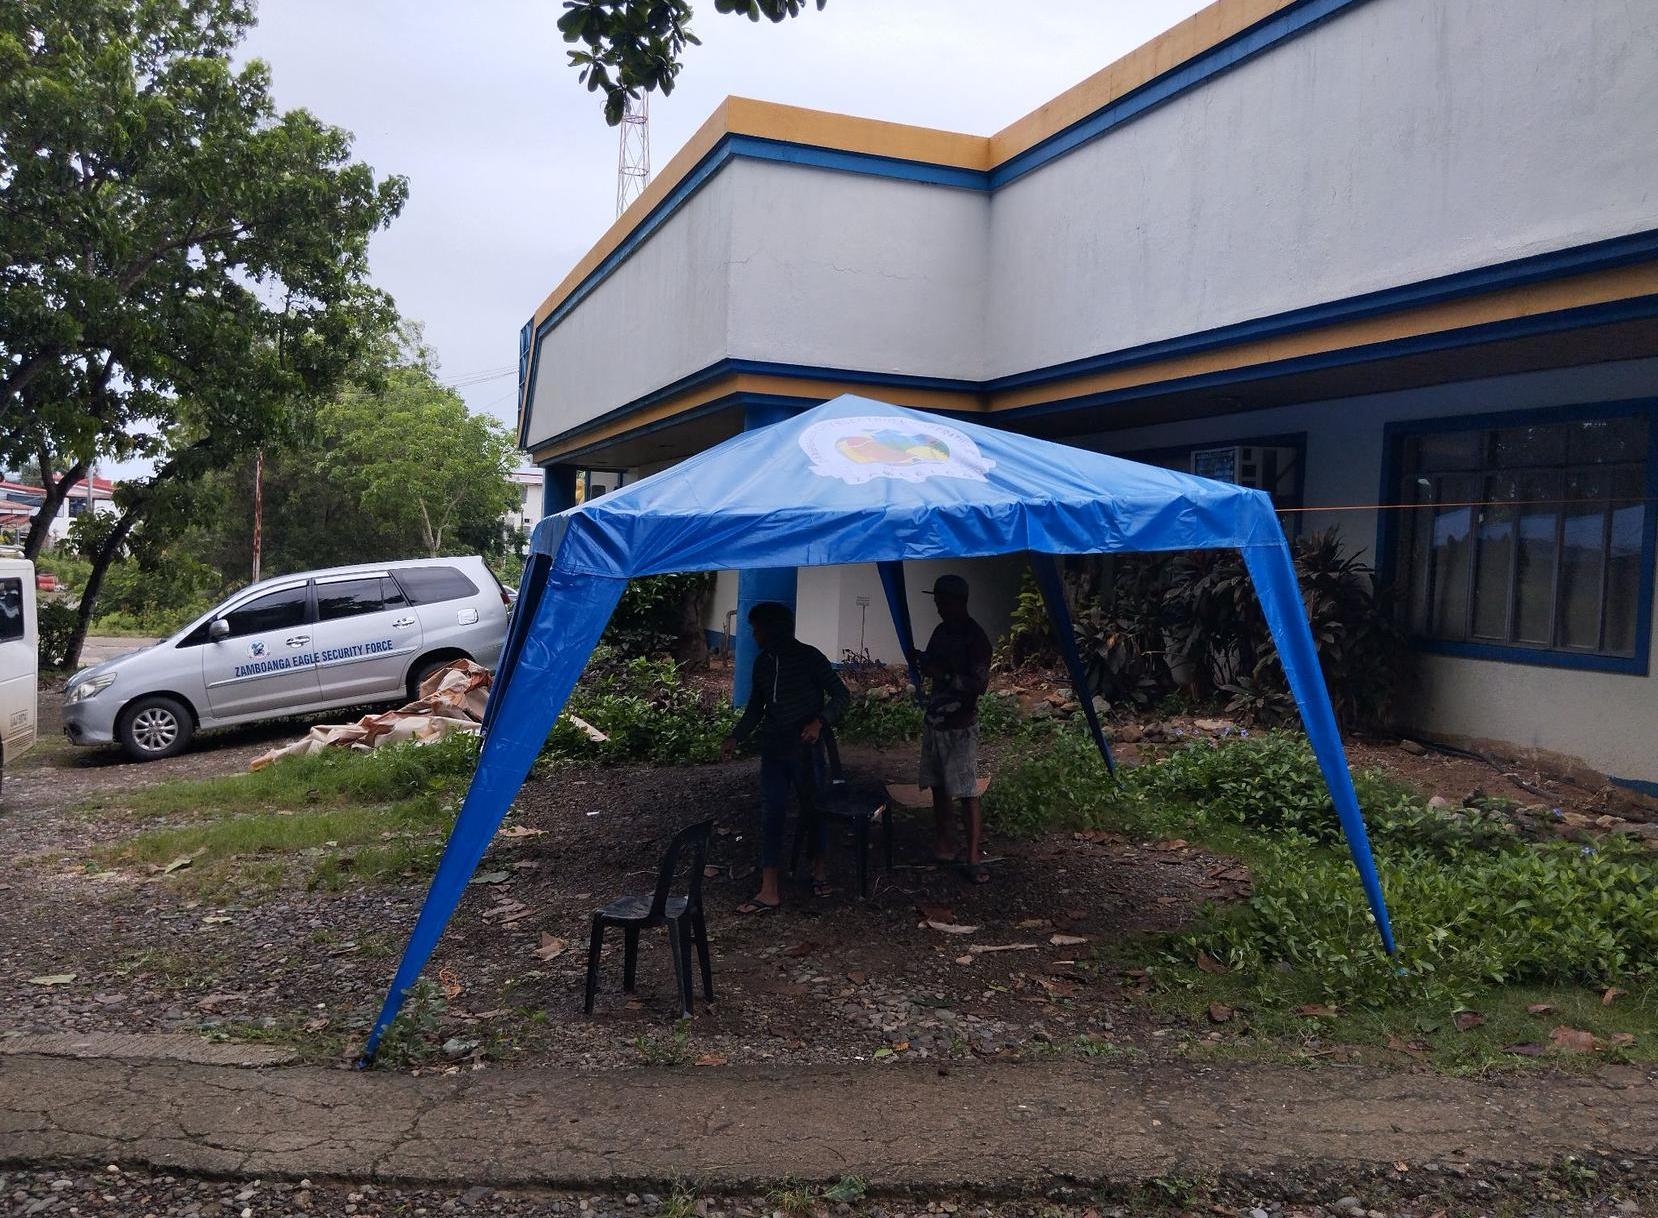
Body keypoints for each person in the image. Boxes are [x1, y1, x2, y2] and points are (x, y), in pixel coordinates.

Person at [720, 601, 850, 913]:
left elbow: (841, 695)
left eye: (757, 630)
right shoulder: (763, 663)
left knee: (815, 809)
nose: (754, 636)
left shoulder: (810, 658)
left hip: (806, 749)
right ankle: (769, 889)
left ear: (773, 630)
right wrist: (736, 736)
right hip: (774, 749)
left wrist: (819, 722)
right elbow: (755, 708)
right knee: (772, 813)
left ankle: (819, 872)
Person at [910, 573, 993, 883]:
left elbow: (978, 685)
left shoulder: (976, 638)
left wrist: (943, 676)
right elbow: (932, 664)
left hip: (960, 725)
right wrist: (922, 661)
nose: (938, 608)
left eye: (942, 602)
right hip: (936, 721)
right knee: (939, 785)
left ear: (959, 602)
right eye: (937, 602)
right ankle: (946, 844)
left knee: (967, 791)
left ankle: (973, 857)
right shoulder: (941, 631)